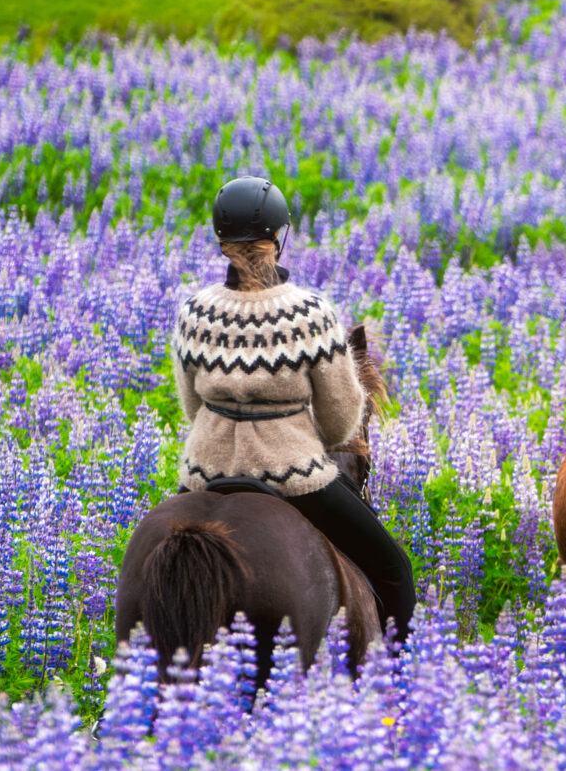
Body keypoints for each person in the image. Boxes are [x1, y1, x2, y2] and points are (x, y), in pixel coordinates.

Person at [171, 175, 416, 638]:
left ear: (222, 241)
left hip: (204, 472)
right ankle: (395, 693)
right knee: (394, 571)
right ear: (278, 238)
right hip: (295, 475)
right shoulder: (310, 314)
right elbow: (343, 421)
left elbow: (190, 406)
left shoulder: (194, 313)